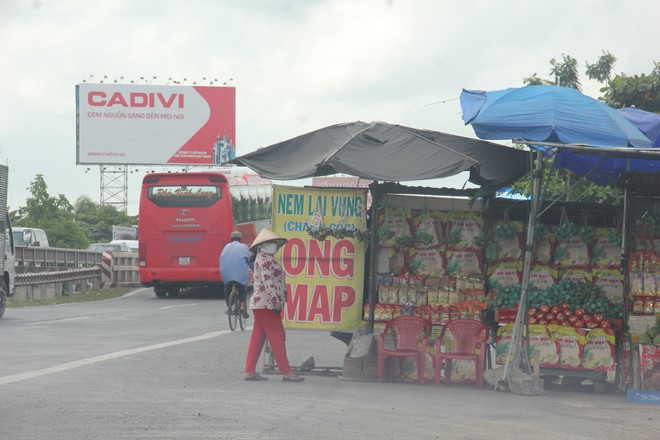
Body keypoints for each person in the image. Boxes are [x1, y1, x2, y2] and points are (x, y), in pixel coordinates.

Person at [244, 228, 304, 382]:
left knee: (258, 337)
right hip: (267, 304)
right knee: (277, 336)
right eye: (273, 243)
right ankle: (287, 372)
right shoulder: (265, 260)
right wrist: (275, 301)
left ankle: (250, 371)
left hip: (262, 303)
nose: (276, 246)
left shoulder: (264, 258)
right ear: (264, 244)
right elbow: (268, 282)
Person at [219, 230, 251, 319]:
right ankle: (242, 306)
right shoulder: (244, 247)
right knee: (242, 288)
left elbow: (221, 259)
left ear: (231, 239)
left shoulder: (226, 247)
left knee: (227, 288)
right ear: (240, 239)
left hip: (226, 272)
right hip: (240, 273)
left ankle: (229, 307)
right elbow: (249, 259)